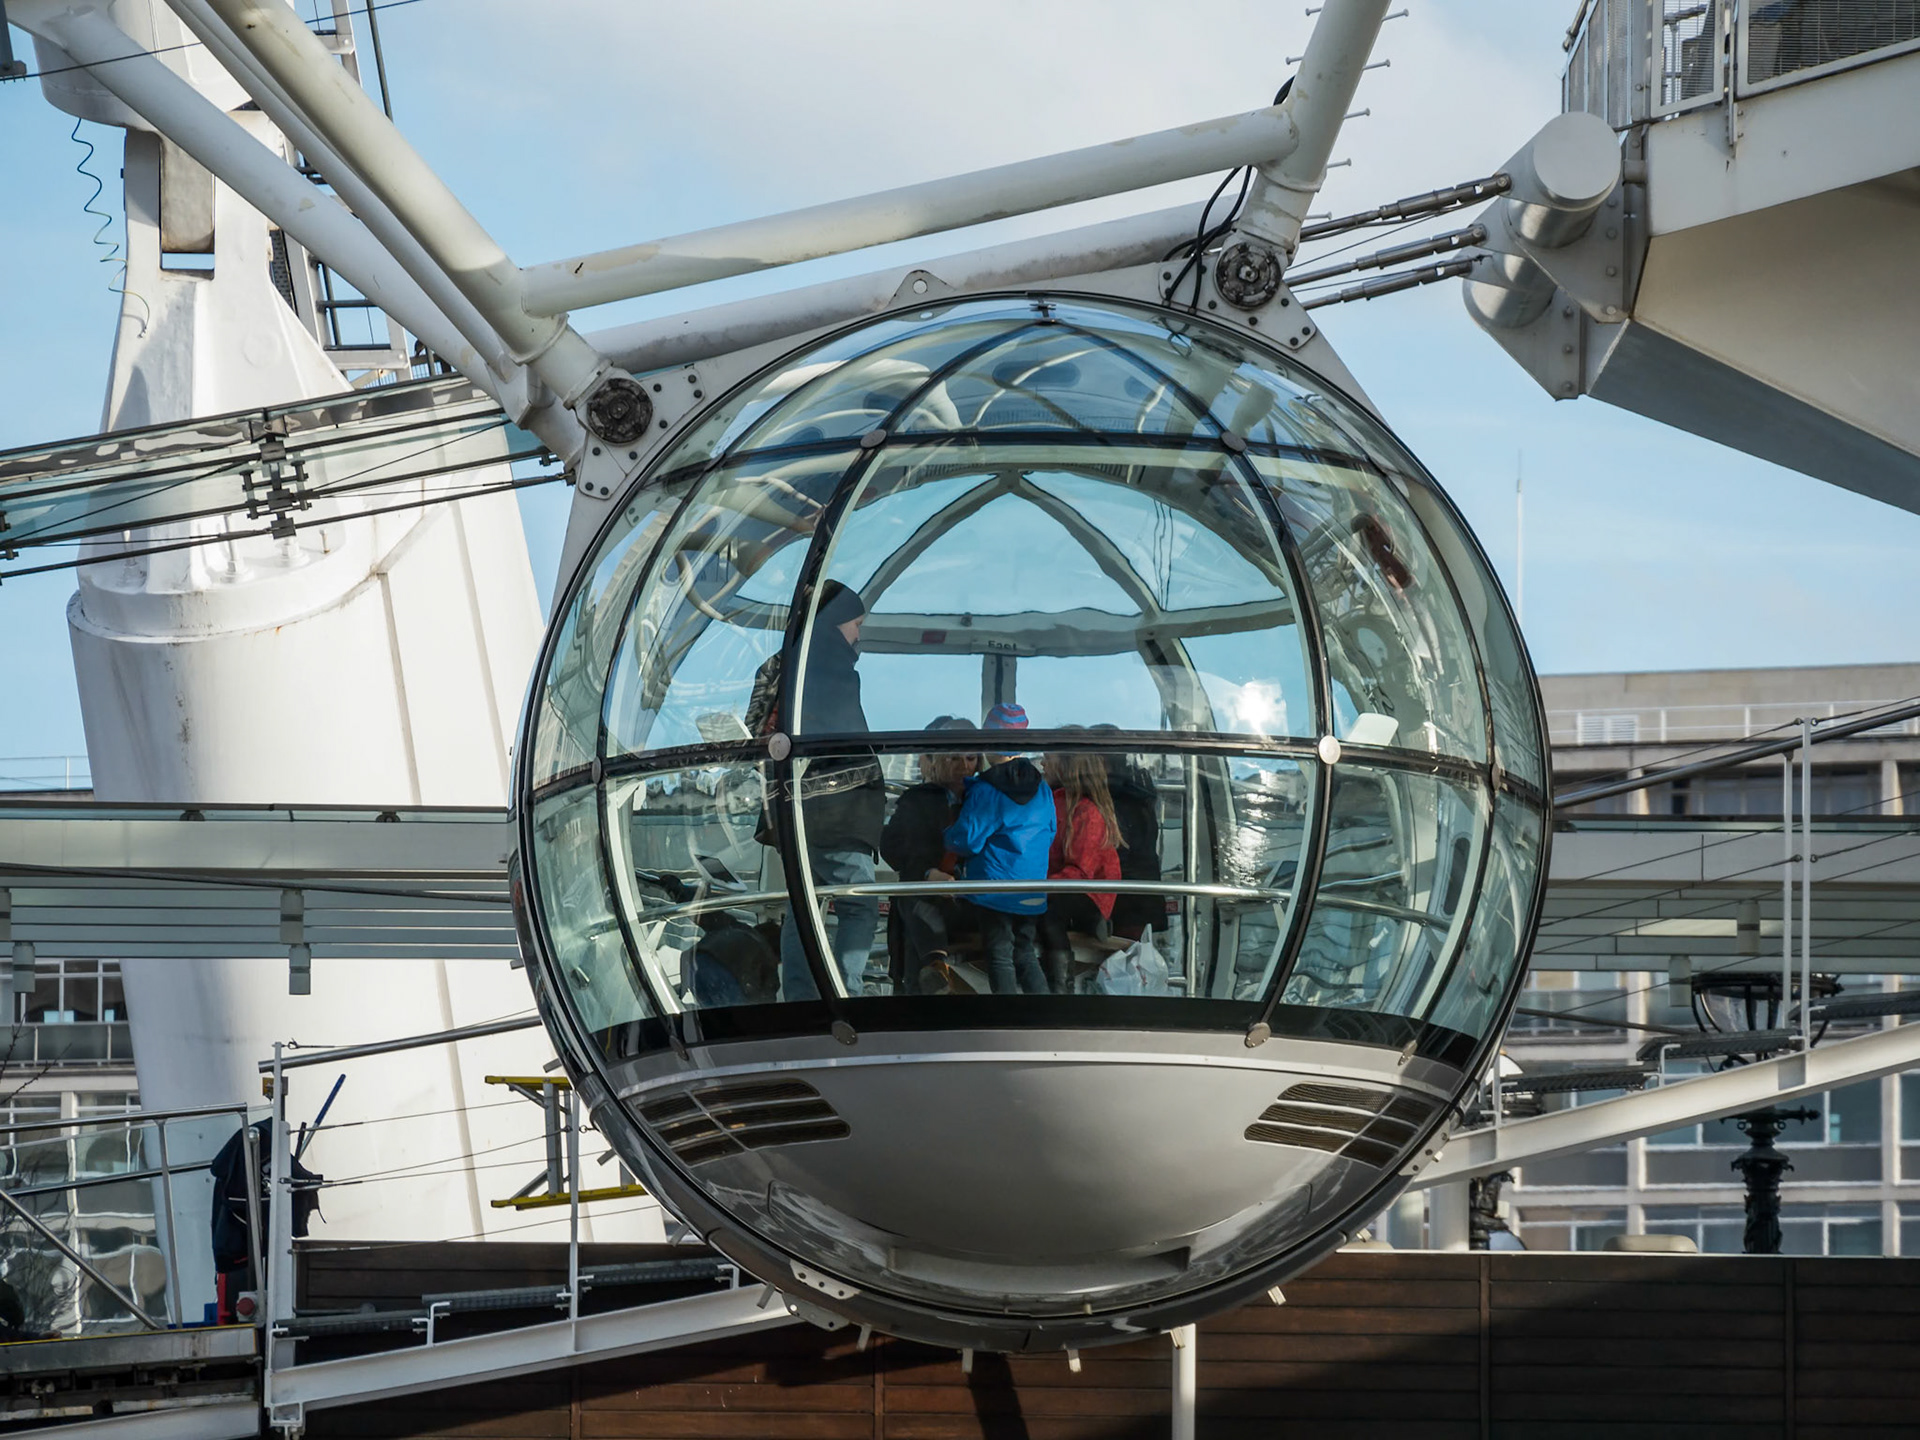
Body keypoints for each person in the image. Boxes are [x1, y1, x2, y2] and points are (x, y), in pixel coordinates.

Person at [772, 580, 885, 1000]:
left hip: (800, 810)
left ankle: (800, 997)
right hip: (837, 811)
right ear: (836, 623)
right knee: (860, 902)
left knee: (802, 908)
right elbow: (844, 744)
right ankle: (844, 992)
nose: (858, 635)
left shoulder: (791, 666)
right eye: (855, 624)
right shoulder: (832, 669)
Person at [943, 703, 1054, 996]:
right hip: (1032, 890)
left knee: (1000, 955)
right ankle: (1042, 1015)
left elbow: (967, 840)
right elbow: (1051, 829)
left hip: (994, 891)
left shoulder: (987, 788)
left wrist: (947, 836)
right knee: (1026, 952)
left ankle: (1009, 1016)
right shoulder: (1042, 787)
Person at [880, 717, 979, 994]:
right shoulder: (918, 800)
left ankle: (931, 970)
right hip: (931, 893)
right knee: (913, 897)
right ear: (934, 760)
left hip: (973, 896)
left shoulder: (983, 799)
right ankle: (928, 977)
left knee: (911, 901)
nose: (963, 766)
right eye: (954, 758)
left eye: (970, 758)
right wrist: (928, 873)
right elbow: (893, 847)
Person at [1039, 748, 1124, 991]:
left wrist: (1037, 888)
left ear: (1067, 765)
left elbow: (1081, 872)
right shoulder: (1056, 800)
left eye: (1049, 757)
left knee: (1048, 915)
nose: (1042, 763)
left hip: (1088, 892)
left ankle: (1060, 987)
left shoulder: (1087, 812)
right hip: (1058, 884)